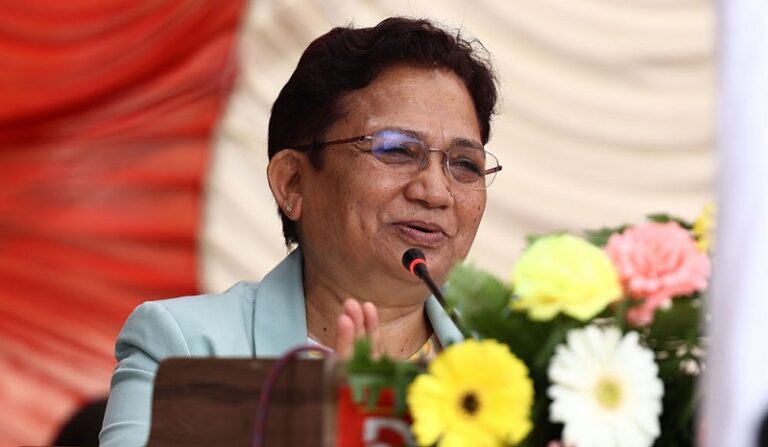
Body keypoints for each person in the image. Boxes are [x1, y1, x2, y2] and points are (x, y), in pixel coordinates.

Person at [99, 16, 501, 446]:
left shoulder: (518, 365)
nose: (436, 191)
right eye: (397, 150)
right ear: (292, 182)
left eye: (465, 164)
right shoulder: (186, 347)